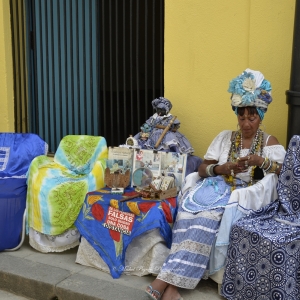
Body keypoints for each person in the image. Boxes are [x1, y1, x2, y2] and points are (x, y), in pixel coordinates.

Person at [144, 69, 286, 300]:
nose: (246, 123)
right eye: (242, 117)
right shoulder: (224, 138)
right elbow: (202, 168)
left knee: (206, 220)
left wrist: (261, 161)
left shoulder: (270, 142)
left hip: (243, 193)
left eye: (252, 117)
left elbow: (284, 171)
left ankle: (166, 282)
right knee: (187, 215)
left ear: (261, 116)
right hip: (215, 187)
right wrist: (223, 168)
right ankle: (173, 287)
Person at [134, 97, 202, 176]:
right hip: (153, 135)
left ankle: (175, 157)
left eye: (162, 110)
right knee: (145, 142)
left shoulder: (170, 118)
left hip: (166, 134)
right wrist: (145, 129)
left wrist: (167, 128)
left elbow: (174, 129)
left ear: (166, 111)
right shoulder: (153, 118)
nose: (160, 112)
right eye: (158, 109)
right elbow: (148, 125)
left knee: (170, 140)